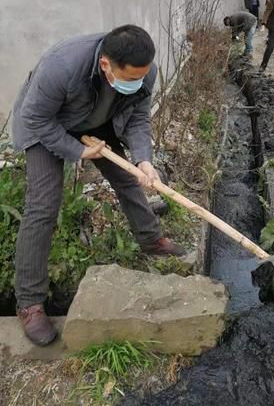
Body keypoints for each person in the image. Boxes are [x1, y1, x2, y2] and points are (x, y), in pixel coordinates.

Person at [12, 25, 186, 346]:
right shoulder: (62, 66)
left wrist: (143, 160)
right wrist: (77, 151)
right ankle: (30, 303)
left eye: (142, 78)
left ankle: (150, 239)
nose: (138, 83)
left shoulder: (143, 72)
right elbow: (34, 117)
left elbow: (138, 119)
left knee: (128, 177)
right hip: (48, 124)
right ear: (106, 65)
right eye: (130, 79)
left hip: (95, 121)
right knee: (43, 207)